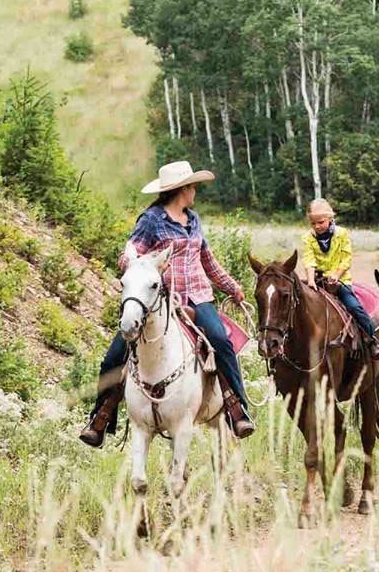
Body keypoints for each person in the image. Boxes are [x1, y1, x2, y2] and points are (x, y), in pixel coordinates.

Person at [79, 161, 256, 448]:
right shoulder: (151, 220)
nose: (195, 191)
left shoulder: (193, 220)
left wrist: (232, 287)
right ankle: (101, 417)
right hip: (161, 301)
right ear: (183, 189)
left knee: (221, 342)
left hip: (198, 296)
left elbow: (207, 261)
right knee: (115, 355)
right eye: (192, 186)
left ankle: (237, 410)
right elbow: (130, 254)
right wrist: (134, 261)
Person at [300, 198, 379, 359]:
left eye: (321, 222)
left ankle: (372, 340)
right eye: (313, 223)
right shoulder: (308, 238)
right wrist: (310, 280)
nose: (317, 226)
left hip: (340, 281)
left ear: (330, 218)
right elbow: (309, 259)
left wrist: (336, 275)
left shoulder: (341, 234)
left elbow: (346, 259)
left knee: (354, 306)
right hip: (318, 281)